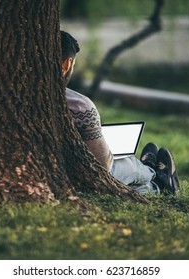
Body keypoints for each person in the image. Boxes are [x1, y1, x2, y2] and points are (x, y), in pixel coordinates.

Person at [61, 30, 180, 195]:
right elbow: (103, 168)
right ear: (66, 64)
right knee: (126, 162)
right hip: (75, 175)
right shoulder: (80, 105)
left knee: (132, 180)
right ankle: (152, 173)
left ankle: (157, 187)